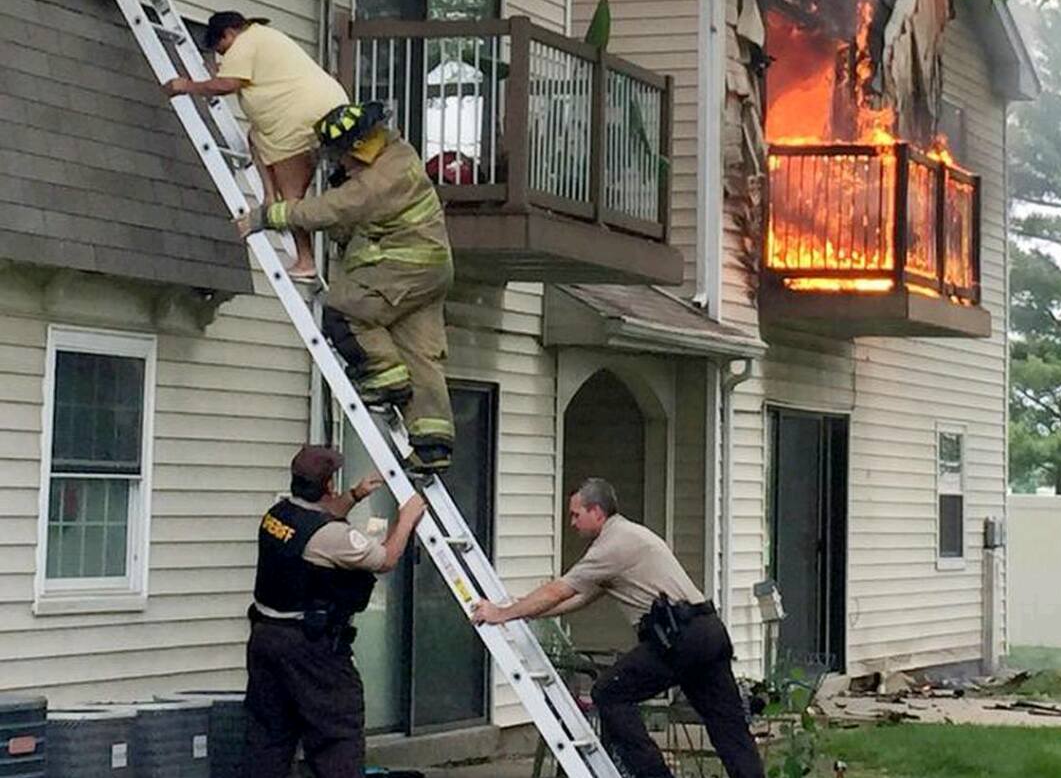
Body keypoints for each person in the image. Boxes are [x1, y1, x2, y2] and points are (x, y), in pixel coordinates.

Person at [471, 477, 765, 778]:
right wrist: (524, 610)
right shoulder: (630, 534)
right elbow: (581, 598)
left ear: (597, 512)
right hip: (708, 632)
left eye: (576, 514)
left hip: (679, 638)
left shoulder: (610, 545)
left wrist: (501, 613)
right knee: (729, 728)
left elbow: (559, 591)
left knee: (610, 693)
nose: (572, 522)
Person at [238, 101, 456, 474]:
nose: (338, 165)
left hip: (403, 265)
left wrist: (267, 217)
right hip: (430, 271)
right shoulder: (400, 154)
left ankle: (387, 382)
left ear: (357, 149)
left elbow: (330, 211)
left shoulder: (375, 182)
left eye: (340, 157)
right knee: (421, 355)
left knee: (343, 310)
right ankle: (432, 446)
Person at [245, 442, 425, 778]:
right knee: (336, 734)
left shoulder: (278, 515)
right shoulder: (333, 537)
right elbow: (386, 558)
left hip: (265, 640)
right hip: (310, 649)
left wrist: (356, 495)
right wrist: (407, 519)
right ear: (328, 485)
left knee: (269, 738)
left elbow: (317, 519)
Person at [165, 10, 347, 279]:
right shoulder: (261, 38)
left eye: (221, 49)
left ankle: (305, 260)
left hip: (297, 119)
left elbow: (227, 84)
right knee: (256, 140)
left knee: (292, 199)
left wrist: (185, 86)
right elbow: (238, 77)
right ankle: (269, 197)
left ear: (228, 33)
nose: (223, 56)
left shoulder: (244, 42)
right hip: (319, 109)